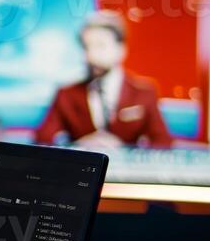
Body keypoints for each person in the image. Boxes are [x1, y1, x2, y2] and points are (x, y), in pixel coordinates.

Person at [35, 10, 172, 149]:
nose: (90, 55)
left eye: (100, 46)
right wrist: (79, 146)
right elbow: (42, 141)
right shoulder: (66, 94)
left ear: (121, 49)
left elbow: (163, 143)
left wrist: (127, 151)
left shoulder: (143, 92)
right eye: (86, 47)